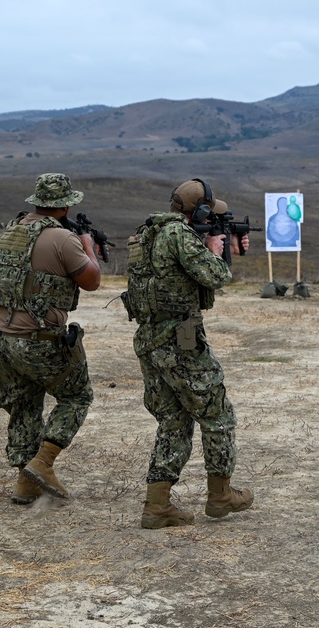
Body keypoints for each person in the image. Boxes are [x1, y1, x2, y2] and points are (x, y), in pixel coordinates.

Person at [123, 178, 253, 529]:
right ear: (200, 210)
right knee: (217, 416)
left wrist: (216, 245)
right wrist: (213, 249)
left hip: (149, 338)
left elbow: (170, 275)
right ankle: (221, 495)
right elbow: (215, 276)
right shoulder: (180, 236)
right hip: (181, 339)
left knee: (174, 420)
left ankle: (157, 505)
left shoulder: (146, 233)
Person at [0, 173, 101, 505]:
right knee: (77, 397)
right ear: (66, 205)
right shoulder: (63, 239)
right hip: (36, 339)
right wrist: (88, 247)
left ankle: (24, 483)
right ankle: (42, 463)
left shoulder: (13, 231)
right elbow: (92, 281)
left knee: (24, 404)